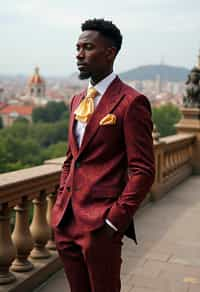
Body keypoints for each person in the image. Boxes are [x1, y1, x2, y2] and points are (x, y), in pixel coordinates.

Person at [51, 18, 155, 292]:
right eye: (77, 47)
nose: (79, 54)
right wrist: (60, 201)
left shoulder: (131, 102)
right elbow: (71, 158)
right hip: (66, 221)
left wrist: (114, 221)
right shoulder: (76, 100)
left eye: (87, 47)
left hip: (101, 226)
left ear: (110, 53)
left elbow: (143, 170)